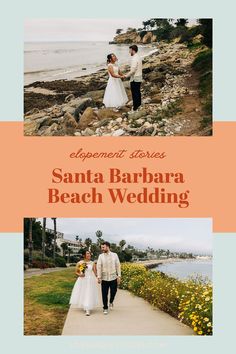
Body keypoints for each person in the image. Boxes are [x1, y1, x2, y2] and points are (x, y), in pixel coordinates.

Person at [69, 249, 98, 316]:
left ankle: (87, 308)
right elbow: (76, 272)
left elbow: (95, 272)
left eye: (89, 253)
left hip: (90, 280)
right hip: (82, 280)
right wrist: (80, 274)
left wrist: (98, 278)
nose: (89, 255)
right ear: (84, 255)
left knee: (88, 293)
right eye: (87, 253)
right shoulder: (80, 263)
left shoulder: (92, 263)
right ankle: (85, 305)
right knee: (83, 293)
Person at [97, 241, 121, 315]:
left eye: (103, 247)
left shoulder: (115, 255)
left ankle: (111, 301)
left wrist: (119, 276)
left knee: (114, 292)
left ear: (107, 247)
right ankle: (105, 308)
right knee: (104, 294)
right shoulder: (101, 256)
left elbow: (118, 265)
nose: (102, 249)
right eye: (101, 247)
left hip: (113, 277)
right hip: (104, 278)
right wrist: (99, 277)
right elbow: (99, 267)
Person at [124, 45, 143, 111]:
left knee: (134, 92)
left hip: (135, 78)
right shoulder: (138, 56)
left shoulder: (134, 58)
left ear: (132, 50)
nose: (129, 52)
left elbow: (133, 70)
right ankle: (139, 104)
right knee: (137, 91)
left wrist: (126, 76)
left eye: (129, 50)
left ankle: (135, 107)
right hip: (139, 76)